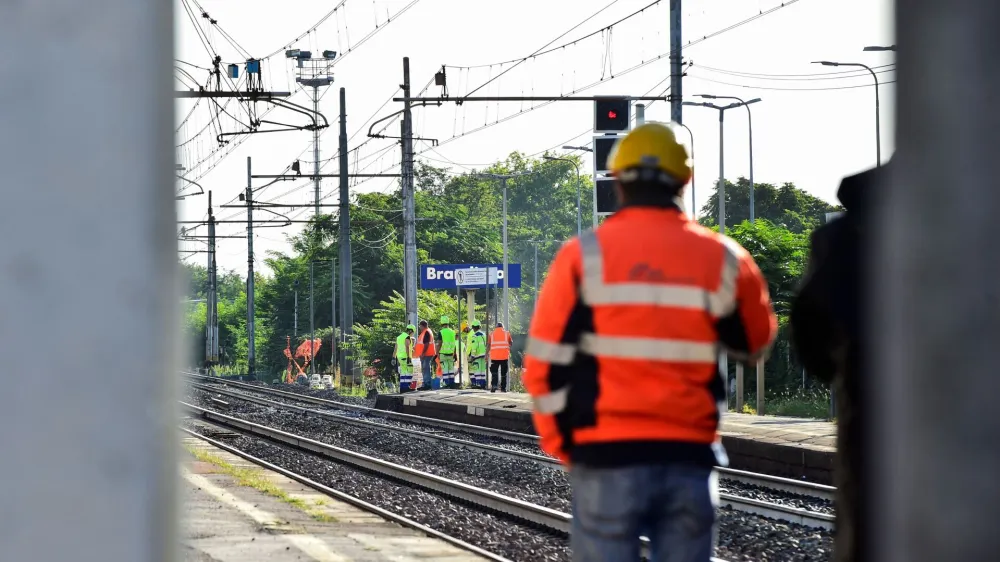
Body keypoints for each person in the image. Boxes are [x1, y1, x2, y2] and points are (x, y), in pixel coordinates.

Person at [523, 121, 778, 562]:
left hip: (604, 453)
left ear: (617, 181)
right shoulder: (724, 258)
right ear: (686, 179)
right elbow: (755, 343)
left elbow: (544, 366)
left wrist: (561, 443)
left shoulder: (583, 257)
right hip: (688, 455)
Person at [790, 162, 884, 562]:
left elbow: (809, 327)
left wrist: (849, 379)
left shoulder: (847, 235)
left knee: (872, 526)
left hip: (875, 413)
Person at [488, 321, 513, 392]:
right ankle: (503, 388)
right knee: (503, 373)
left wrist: (486, 355)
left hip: (494, 357)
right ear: (502, 327)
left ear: (496, 327)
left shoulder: (491, 334)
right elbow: (511, 343)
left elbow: (488, 345)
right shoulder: (507, 333)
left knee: (494, 372)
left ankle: (494, 386)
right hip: (504, 356)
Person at [393, 324, 416, 393]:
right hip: (406, 357)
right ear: (410, 331)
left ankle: (402, 388)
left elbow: (395, 348)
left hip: (399, 357)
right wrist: (409, 357)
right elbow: (407, 347)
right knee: (409, 371)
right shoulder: (407, 337)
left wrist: (393, 357)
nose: (412, 334)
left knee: (403, 372)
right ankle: (407, 387)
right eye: (413, 333)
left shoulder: (399, 337)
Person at [414, 320, 436, 391]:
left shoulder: (426, 332)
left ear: (422, 326)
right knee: (424, 368)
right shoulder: (426, 331)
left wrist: (423, 353)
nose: (419, 327)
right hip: (426, 353)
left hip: (427, 353)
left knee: (425, 368)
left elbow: (426, 344)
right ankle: (425, 383)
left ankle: (427, 384)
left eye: (420, 326)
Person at [438, 315, 459, 389]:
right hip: (451, 354)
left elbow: (440, 344)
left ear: (441, 323)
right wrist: (455, 353)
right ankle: (451, 383)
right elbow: (454, 344)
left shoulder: (441, 332)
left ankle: (446, 384)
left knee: (445, 369)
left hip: (443, 354)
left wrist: (437, 353)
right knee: (450, 369)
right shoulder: (452, 332)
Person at [467, 320, 488, 389]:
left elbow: (474, 347)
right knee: (482, 370)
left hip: (477, 355)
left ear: (473, 327)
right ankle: (483, 384)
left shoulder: (474, 336)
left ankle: (478, 384)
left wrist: (472, 356)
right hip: (484, 355)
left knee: (477, 370)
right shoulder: (484, 335)